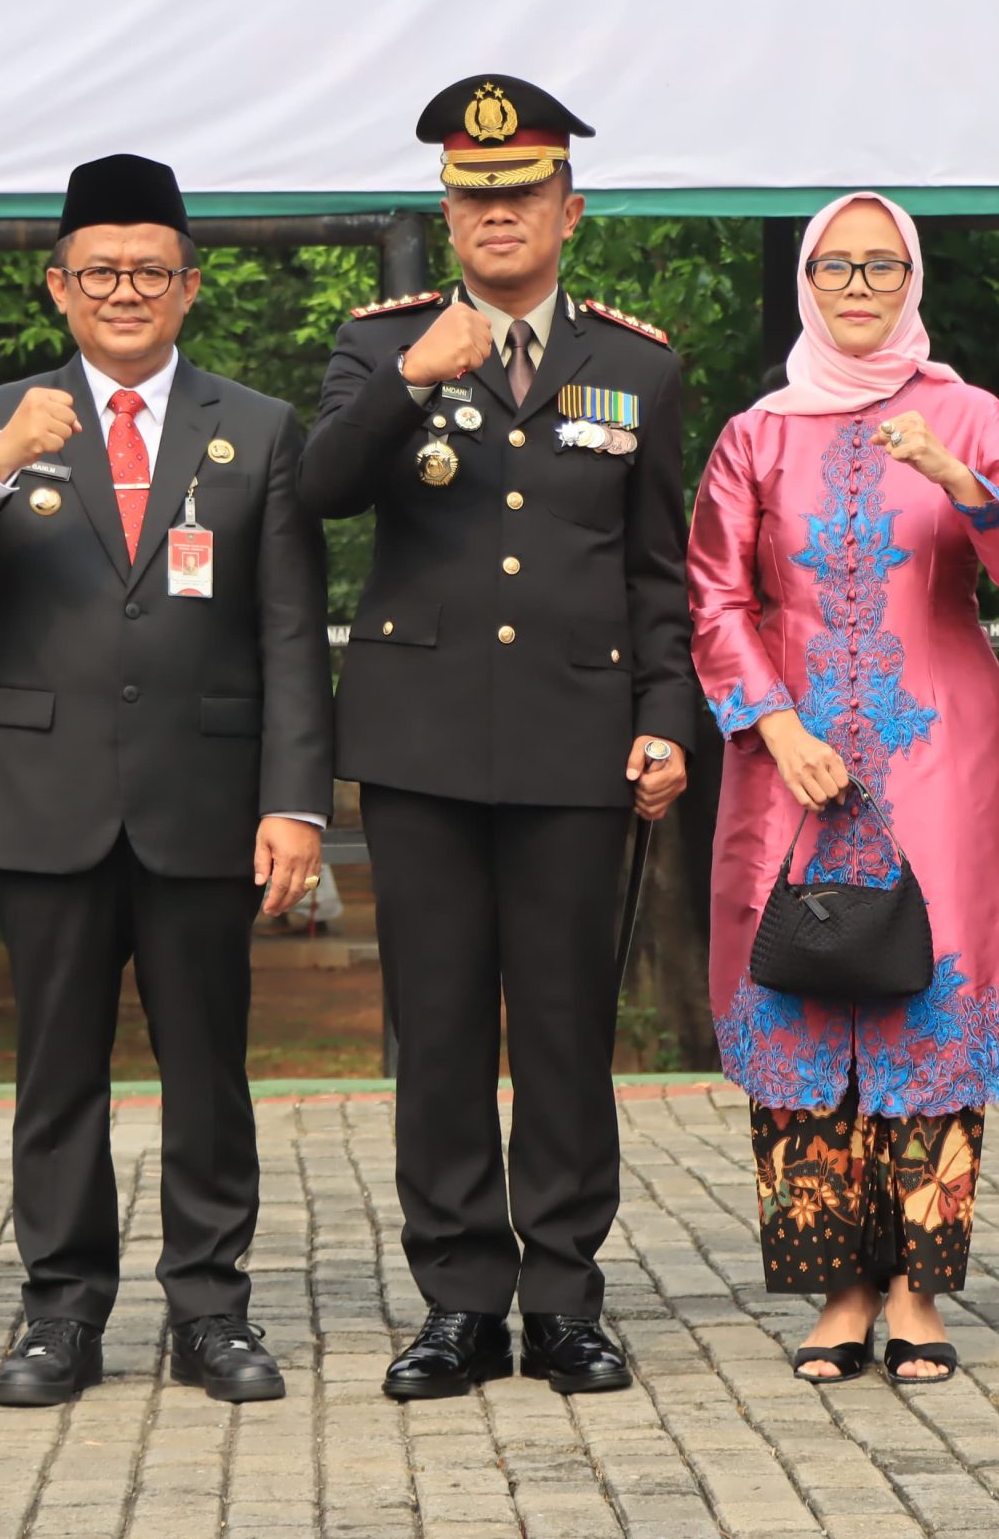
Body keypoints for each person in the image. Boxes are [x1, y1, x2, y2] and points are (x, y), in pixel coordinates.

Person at [0, 154, 332, 1406]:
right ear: (58, 287)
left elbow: (288, 630)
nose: (124, 291)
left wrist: (293, 800)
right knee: (55, 1075)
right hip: (46, 797)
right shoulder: (1, 413)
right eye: (100, 273)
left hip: (204, 798)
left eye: (149, 271)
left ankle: (212, 1310)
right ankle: (59, 1314)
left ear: (189, 288)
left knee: (209, 1070)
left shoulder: (256, 429)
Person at [300, 75, 696, 1399]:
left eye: (520, 194)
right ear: (447, 211)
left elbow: (656, 573)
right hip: (421, 747)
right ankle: (461, 1299)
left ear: (568, 211)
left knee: (571, 1027)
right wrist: (411, 381)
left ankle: (567, 1298)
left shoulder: (638, 366)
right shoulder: (382, 344)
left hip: (578, 745)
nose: (495, 216)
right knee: (443, 1025)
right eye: (472, 197)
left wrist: (664, 721)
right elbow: (316, 491)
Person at [688, 193, 999, 1388]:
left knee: (928, 1007)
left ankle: (913, 1288)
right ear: (808, 279)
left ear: (911, 277)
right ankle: (838, 1285)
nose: (859, 284)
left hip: (941, 762)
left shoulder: (968, 412)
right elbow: (713, 595)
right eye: (837, 264)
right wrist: (775, 721)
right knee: (806, 1001)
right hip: (789, 766)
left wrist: (962, 479)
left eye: (882, 263)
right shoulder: (757, 432)